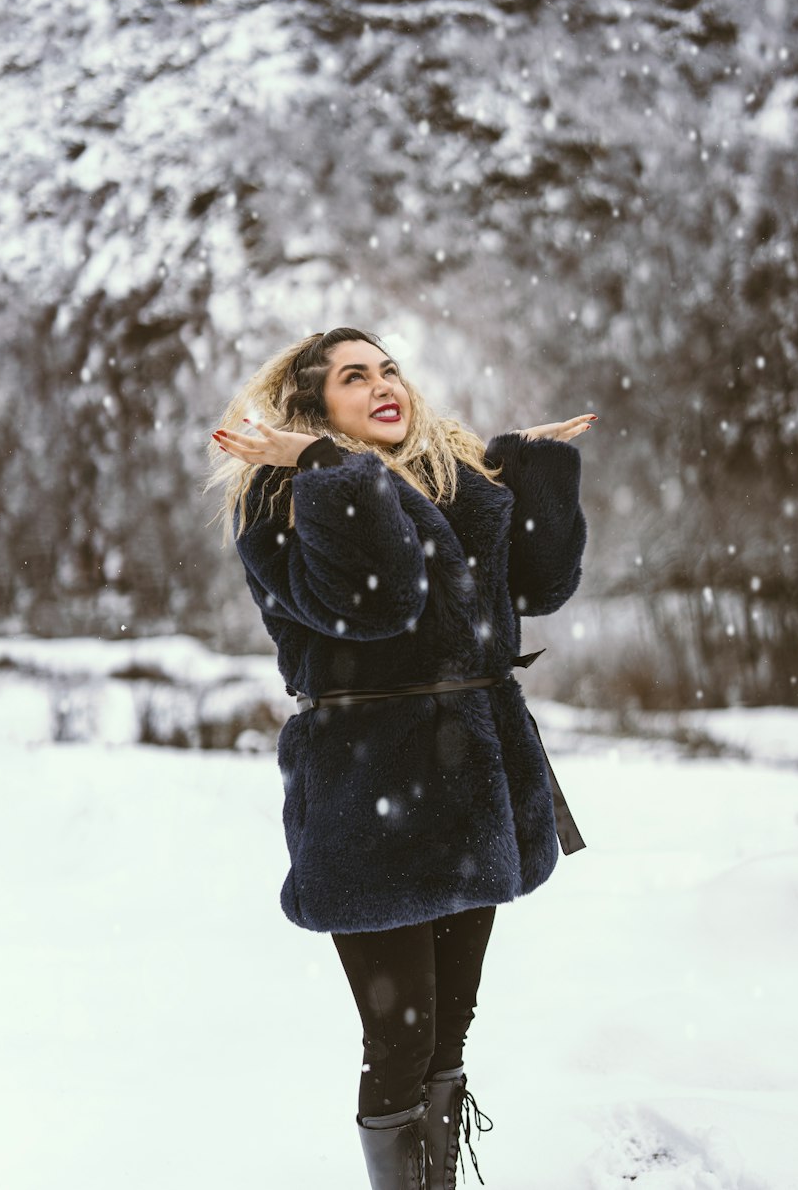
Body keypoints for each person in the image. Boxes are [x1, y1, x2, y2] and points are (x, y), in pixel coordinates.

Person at [206, 327, 592, 1190]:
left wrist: (525, 472)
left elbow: (537, 590)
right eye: (354, 377)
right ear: (314, 408)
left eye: (388, 368)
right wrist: (321, 465)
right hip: (366, 794)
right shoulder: (286, 504)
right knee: (401, 1039)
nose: (385, 384)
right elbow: (376, 600)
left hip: (471, 788)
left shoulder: (443, 488)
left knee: (450, 1030)